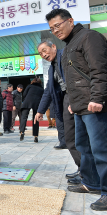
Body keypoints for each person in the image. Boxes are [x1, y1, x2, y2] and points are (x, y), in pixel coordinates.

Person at [46, 8, 107, 210]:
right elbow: (74, 80)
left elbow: (100, 70)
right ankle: (92, 183)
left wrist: (98, 98)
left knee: (102, 149)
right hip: (80, 107)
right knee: (84, 147)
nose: (55, 30)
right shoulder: (70, 45)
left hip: (95, 106)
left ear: (70, 21)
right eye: (51, 28)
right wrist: (72, 103)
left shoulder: (89, 37)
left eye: (58, 25)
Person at [34, 39, 81, 182]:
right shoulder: (52, 67)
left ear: (53, 47)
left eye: (44, 50)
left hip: (75, 97)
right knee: (70, 138)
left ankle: (87, 173)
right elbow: (48, 90)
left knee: (78, 139)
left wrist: (74, 100)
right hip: (66, 100)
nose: (43, 54)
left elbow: (75, 79)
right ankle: (83, 169)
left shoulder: (65, 56)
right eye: (40, 53)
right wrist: (40, 111)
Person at [19, 78, 44, 143]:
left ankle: (22, 132)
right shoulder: (41, 89)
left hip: (27, 101)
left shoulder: (30, 86)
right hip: (37, 103)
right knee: (35, 119)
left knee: (24, 117)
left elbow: (24, 94)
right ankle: (36, 136)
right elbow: (43, 98)